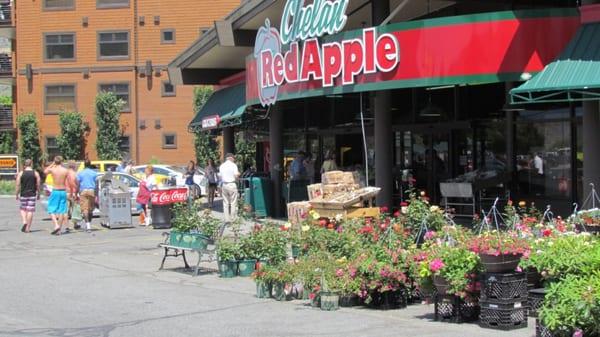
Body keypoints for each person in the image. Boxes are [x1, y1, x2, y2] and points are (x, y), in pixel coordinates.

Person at [44, 156, 69, 235]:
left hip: (55, 190)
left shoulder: (53, 169)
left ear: (55, 162)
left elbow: (45, 171)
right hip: (63, 191)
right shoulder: (65, 170)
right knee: (62, 210)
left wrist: (52, 164)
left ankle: (56, 225)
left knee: (51, 209)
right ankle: (59, 229)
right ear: (61, 162)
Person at [15, 159, 40, 233]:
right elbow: (38, 185)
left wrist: (16, 194)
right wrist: (38, 193)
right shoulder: (35, 173)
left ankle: (24, 221)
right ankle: (28, 228)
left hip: (23, 193)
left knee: (22, 208)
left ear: (25, 165)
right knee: (30, 210)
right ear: (31, 164)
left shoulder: (21, 173)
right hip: (32, 194)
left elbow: (18, 184)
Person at [76, 160, 98, 233]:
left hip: (83, 191)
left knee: (85, 209)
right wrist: (96, 194)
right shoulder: (94, 173)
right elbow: (97, 184)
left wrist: (77, 192)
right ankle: (89, 223)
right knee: (91, 208)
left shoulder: (80, 173)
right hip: (92, 190)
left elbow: (78, 184)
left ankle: (88, 225)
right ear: (90, 165)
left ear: (84, 165)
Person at [218, 153, 240, 222]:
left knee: (225, 202)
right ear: (231, 158)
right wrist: (238, 174)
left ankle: (226, 219)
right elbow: (236, 176)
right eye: (233, 158)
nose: (234, 159)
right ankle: (233, 218)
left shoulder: (222, 166)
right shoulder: (233, 165)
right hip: (232, 184)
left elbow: (220, 176)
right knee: (233, 202)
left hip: (224, 185)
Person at [65, 161, 79, 230]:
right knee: (74, 209)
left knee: (66, 210)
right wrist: (76, 192)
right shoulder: (74, 174)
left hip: (65, 192)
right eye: (76, 165)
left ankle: (67, 225)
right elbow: (73, 183)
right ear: (73, 166)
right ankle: (75, 224)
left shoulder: (65, 173)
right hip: (72, 192)